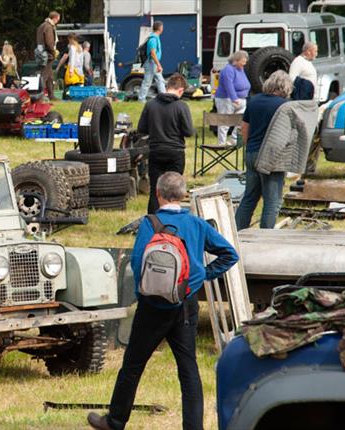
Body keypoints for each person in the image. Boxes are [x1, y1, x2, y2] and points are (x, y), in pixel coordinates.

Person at [86, 171, 239, 430]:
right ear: (183, 195)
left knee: (133, 365)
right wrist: (201, 277)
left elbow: (137, 262)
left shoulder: (149, 223)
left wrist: (143, 292)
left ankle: (115, 421)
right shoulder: (197, 224)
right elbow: (230, 254)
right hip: (184, 306)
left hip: (152, 307)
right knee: (188, 369)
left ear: (158, 195)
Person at [235, 71, 292, 230]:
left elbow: (244, 127)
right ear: (285, 87)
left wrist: (250, 146)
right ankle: (265, 237)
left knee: (249, 198)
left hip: (252, 153)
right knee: (272, 201)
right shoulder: (284, 105)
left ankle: (238, 232)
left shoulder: (253, 100)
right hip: (272, 157)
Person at [137, 74, 194, 214]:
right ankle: (173, 221)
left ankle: (153, 221)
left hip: (156, 151)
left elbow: (141, 129)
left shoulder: (150, 104)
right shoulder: (181, 106)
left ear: (167, 87)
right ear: (180, 90)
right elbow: (189, 131)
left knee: (155, 189)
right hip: (175, 152)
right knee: (174, 189)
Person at [213, 50, 250, 145]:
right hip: (227, 99)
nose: (244, 64)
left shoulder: (240, 69)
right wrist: (234, 98)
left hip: (241, 99)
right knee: (225, 121)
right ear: (236, 60)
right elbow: (228, 85)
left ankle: (234, 139)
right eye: (243, 61)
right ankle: (221, 143)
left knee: (242, 120)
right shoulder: (228, 69)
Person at [36, 11, 60, 100]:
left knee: (49, 75)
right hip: (47, 53)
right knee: (45, 75)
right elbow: (49, 42)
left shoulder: (42, 25)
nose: (58, 21)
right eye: (58, 19)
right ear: (55, 18)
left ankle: (51, 95)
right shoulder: (49, 27)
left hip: (41, 52)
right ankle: (39, 95)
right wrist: (53, 51)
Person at [138, 21, 165, 101]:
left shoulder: (156, 38)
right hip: (151, 63)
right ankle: (141, 99)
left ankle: (164, 98)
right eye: (162, 27)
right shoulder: (152, 39)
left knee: (160, 80)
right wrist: (159, 65)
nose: (163, 29)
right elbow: (153, 54)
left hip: (154, 63)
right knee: (147, 82)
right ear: (160, 28)